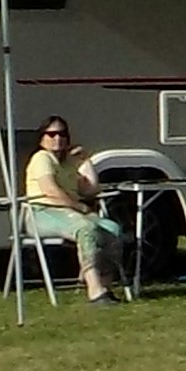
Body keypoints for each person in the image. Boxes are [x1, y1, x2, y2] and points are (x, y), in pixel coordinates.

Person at [18, 113, 123, 301]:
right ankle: (94, 290)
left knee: (112, 229)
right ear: (42, 138)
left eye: (62, 134)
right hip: (41, 212)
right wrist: (79, 208)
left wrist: (85, 162)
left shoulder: (69, 162)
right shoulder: (42, 158)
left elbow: (90, 190)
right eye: (51, 134)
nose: (58, 138)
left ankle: (106, 286)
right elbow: (50, 190)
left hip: (70, 213)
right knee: (86, 228)